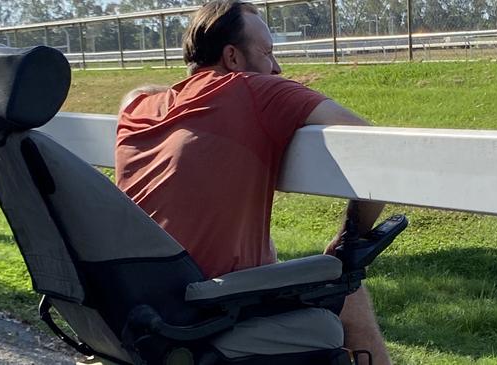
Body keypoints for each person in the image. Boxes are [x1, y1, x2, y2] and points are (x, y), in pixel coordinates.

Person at [115, 1, 389, 363]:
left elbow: (138, 95)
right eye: (267, 53)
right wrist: (349, 238)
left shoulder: (139, 108)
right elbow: (374, 147)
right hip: (202, 314)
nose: (277, 67)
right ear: (233, 57)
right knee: (346, 288)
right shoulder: (255, 89)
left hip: (133, 311)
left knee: (271, 254)